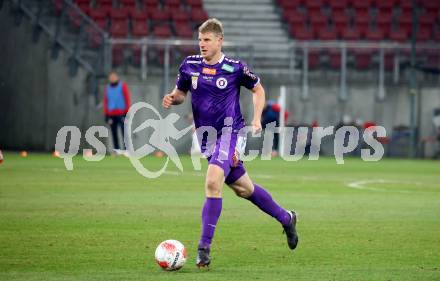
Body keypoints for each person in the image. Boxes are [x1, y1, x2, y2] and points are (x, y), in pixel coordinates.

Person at [162, 18, 298, 268]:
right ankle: (287, 218)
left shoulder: (235, 68)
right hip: (206, 139)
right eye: (200, 40)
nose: (202, 44)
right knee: (244, 189)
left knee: (213, 182)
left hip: (231, 134)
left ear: (219, 40)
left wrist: (256, 118)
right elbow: (181, 93)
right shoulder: (189, 65)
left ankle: (203, 249)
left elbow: (258, 90)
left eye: (207, 40)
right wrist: (173, 97)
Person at [104, 71, 131, 152]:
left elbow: (127, 99)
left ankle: (127, 150)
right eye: (111, 77)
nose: (112, 78)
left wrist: (126, 112)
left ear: (117, 77)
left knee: (124, 133)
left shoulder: (122, 86)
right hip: (111, 114)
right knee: (114, 133)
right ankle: (117, 150)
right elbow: (106, 101)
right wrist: (106, 115)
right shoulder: (107, 88)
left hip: (121, 113)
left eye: (114, 77)